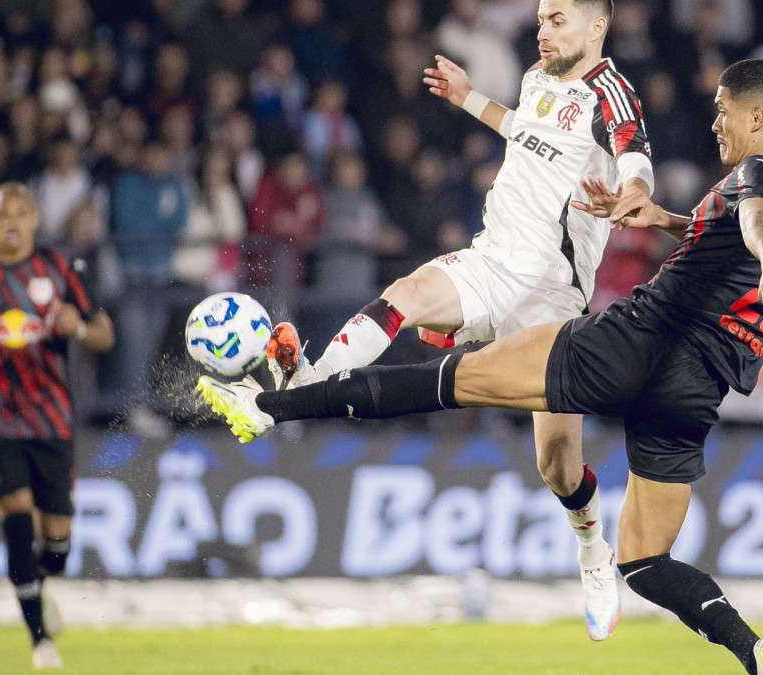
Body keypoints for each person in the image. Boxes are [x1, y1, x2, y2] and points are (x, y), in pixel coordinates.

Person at [199, 58, 763, 675]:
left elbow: (754, 220)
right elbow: (740, 226)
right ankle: (757, 653)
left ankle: (268, 407)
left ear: (757, 115)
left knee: (444, 384)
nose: (715, 121)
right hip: (693, 388)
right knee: (646, 562)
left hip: (634, 344)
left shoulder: (755, 176)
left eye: (723, 109)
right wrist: (668, 221)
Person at [264, 0, 652, 642]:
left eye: (558, 19)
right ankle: (307, 379)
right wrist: (471, 98)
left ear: (596, 26)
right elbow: (526, 133)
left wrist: (634, 192)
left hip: (552, 298)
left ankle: (593, 554)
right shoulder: (534, 78)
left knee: (557, 465)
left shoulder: (610, 90)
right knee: (407, 293)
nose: (544, 28)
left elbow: (634, 153)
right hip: (490, 260)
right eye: (541, 17)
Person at [0, 183, 115, 670]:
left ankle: (43, 576)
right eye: (0, 215)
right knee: (14, 512)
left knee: (57, 544)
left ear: (34, 221)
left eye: (19, 213)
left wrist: (75, 326)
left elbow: (104, 332)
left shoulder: (60, 269)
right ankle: (39, 642)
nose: (10, 222)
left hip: (52, 418)